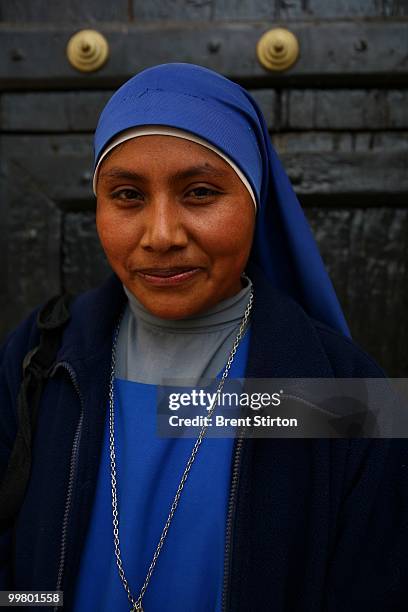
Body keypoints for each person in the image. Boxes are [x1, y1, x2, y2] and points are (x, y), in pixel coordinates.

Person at [0, 63, 407, 612]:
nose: (161, 235)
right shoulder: (39, 358)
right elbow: (14, 576)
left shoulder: (340, 391)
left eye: (198, 192)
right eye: (127, 195)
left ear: (254, 201)